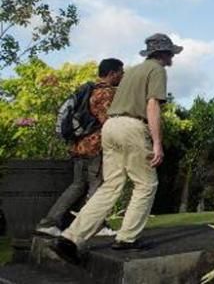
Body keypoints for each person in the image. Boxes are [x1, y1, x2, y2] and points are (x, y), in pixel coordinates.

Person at [52, 33, 182, 264]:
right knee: (146, 183)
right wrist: (157, 143)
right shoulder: (157, 70)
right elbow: (152, 105)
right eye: (171, 52)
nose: (172, 56)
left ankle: (71, 238)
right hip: (132, 126)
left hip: (111, 127)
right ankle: (127, 238)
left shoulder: (131, 71)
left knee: (111, 185)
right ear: (164, 53)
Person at [36, 59, 124, 238]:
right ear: (112, 73)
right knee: (97, 188)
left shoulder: (88, 89)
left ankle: (48, 223)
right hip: (95, 147)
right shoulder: (106, 93)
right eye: (121, 72)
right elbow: (108, 122)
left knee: (76, 186)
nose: (122, 76)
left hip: (79, 146)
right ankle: (97, 226)